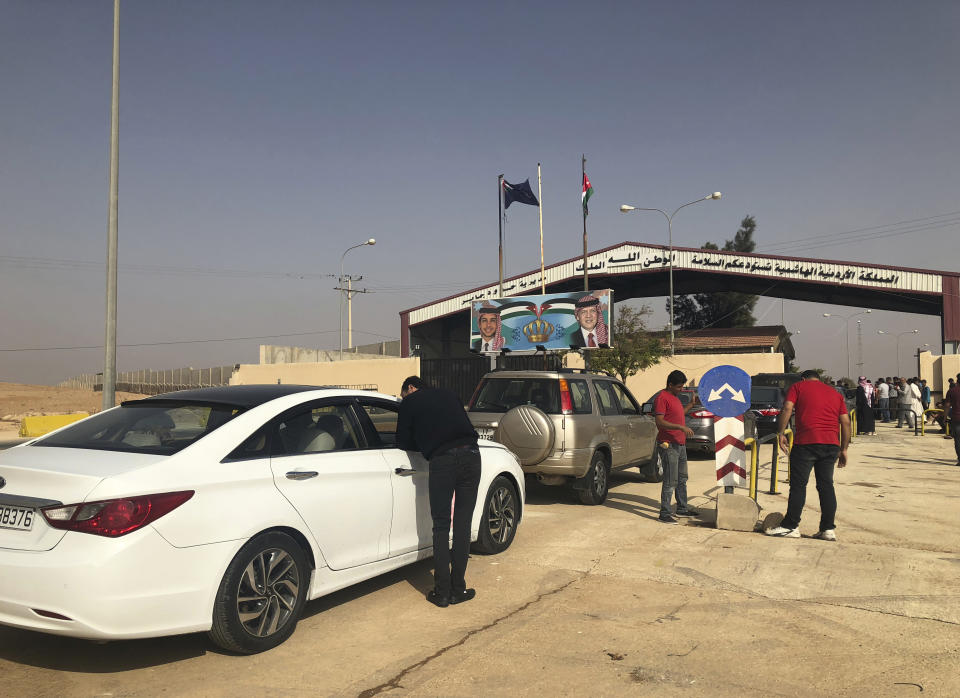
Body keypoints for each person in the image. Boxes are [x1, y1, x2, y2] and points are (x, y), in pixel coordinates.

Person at [397, 375, 481, 607]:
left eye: (404, 393)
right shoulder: (449, 394)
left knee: (441, 525)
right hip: (473, 456)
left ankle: (442, 593)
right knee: (463, 525)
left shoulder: (409, 403)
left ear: (411, 388)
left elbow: (402, 441)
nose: (404, 398)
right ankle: (459, 589)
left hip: (443, 460)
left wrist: (423, 441)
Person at [765, 369, 850, 540]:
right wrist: (844, 449)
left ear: (803, 379)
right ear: (819, 380)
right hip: (831, 445)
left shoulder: (798, 387)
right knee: (826, 486)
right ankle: (827, 529)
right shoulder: (834, 393)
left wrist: (780, 433)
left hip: (806, 443)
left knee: (798, 486)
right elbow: (846, 422)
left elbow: (787, 408)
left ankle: (790, 526)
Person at [653, 370, 698, 524]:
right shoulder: (662, 398)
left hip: (680, 443)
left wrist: (691, 405)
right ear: (670, 384)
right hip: (669, 444)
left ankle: (682, 508)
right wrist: (680, 428)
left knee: (682, 478)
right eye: (679, 387)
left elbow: (678, 414)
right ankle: (664, 513)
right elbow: (659, 421)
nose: (681, 389)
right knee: (670, 480)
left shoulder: (675, 398)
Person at [943, 374, 960, 465]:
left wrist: (945, 417)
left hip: (956, 418)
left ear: (957, 381)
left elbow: (947, 405)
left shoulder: (952, 391)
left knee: (957, 439)